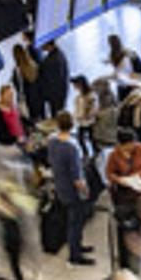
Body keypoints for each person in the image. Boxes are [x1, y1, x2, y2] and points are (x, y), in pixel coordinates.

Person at [48, 111, 95, 267]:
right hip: (72, 191)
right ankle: (75, 254)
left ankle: (77, 246)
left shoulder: (52, 141)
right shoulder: (71, 147)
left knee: (73, 220)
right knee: (75, 222)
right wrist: (85, 190)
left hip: (60, 186)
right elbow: (77, 177)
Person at [106, 128, 141, 271]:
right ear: (121, 145)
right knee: (126, 228)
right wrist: (121, 180)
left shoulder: (140, 148)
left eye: (133, 143)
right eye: (129, 144)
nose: (132, 146)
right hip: (124, 196)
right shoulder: (114, 155)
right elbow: (109, 174)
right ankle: (126, 261)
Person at [39, 39, 70, 116]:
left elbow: (48, 80)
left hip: (55, 96)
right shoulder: (60, 54)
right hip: (61, 92)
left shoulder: (50, 61)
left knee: (56, 116)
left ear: (48, 45)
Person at [12, 43, 42, 121]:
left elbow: (18, 87)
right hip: (39, 97)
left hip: (28, 101)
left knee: (32, 121)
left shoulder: (17, 71)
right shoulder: (33, 65)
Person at [72, 75, 98, 157]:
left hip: (89, 121)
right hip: (81, 121)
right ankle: (86, 153)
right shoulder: (79, 96)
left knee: (92, 138)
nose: (74, 87)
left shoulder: (91, 96)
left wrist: (87, 116)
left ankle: (95, 152)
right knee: (81, 138)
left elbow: (93, 109)